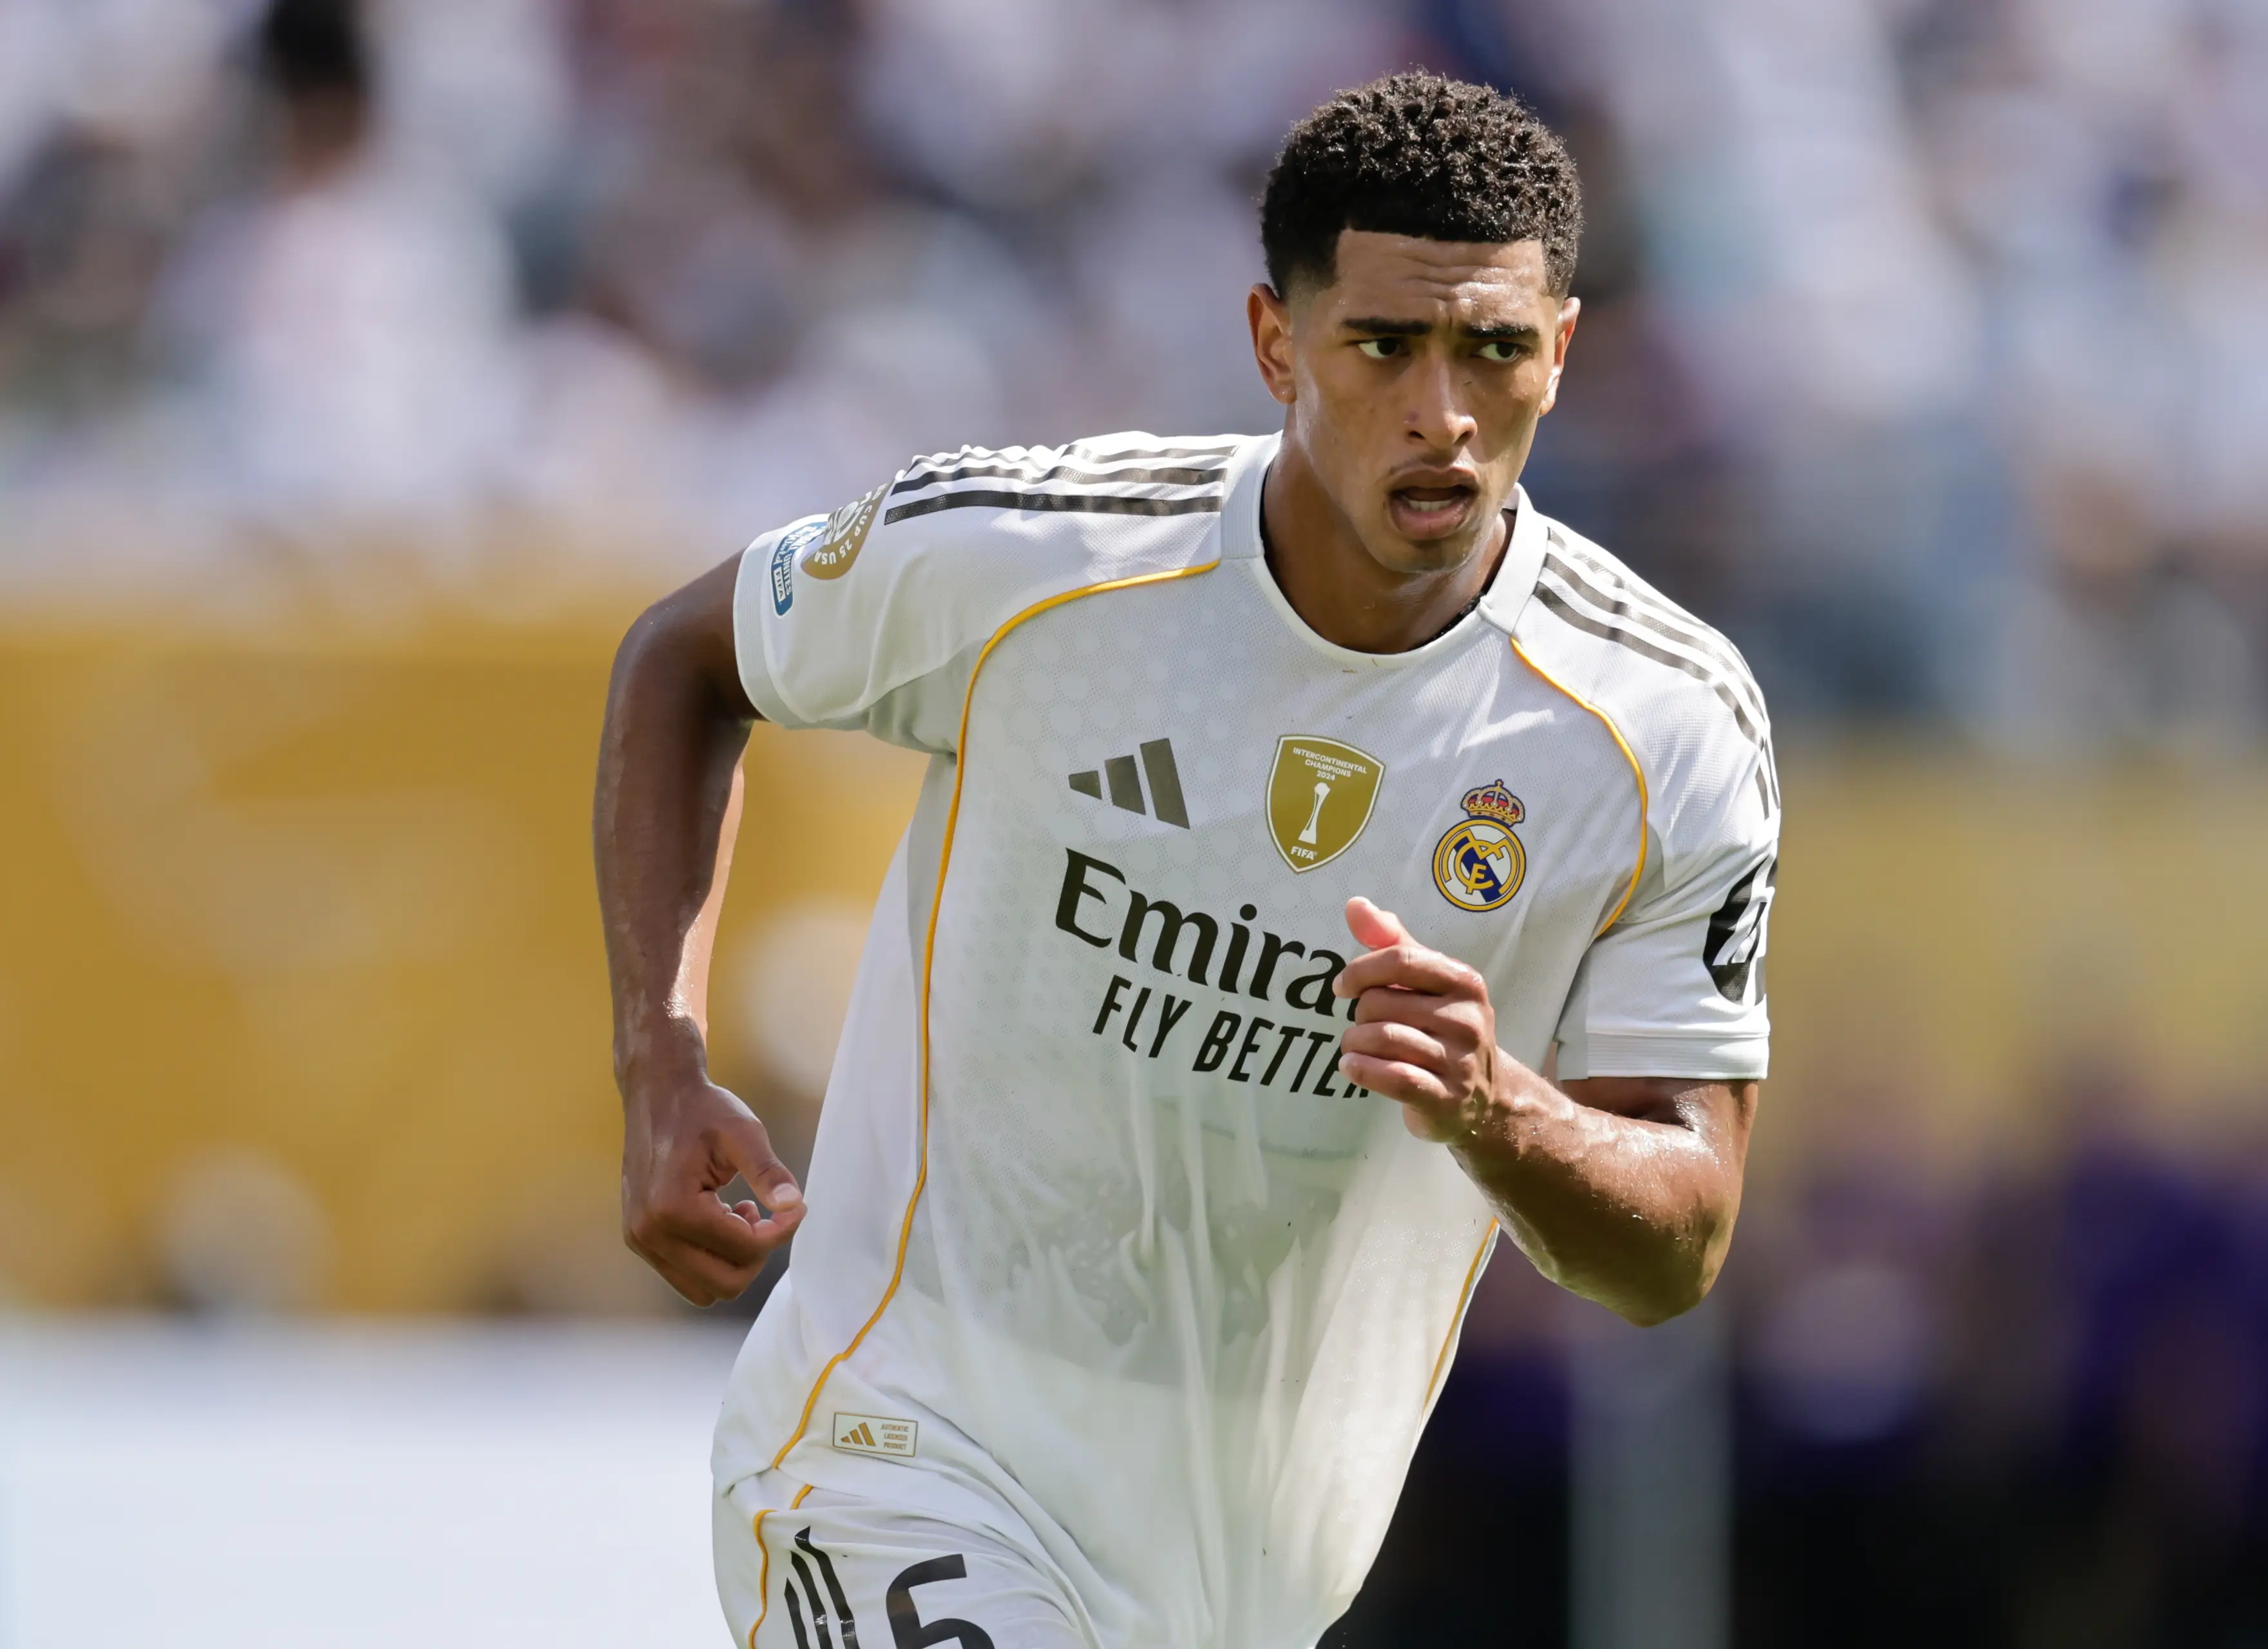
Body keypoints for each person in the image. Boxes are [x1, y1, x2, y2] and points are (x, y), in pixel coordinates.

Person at [593, 70, 1778, 1649]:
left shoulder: (1662, 728)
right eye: (1383, 345)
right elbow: (689, 655)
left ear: (1559, 352)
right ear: (1276, 341)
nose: (1441, 410)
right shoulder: (1038, 559)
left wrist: (1503, 1110)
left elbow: (1681, 1236)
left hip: (1245, 1587)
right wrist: (659, 1058)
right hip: (899, 1447)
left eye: (1493, 347)